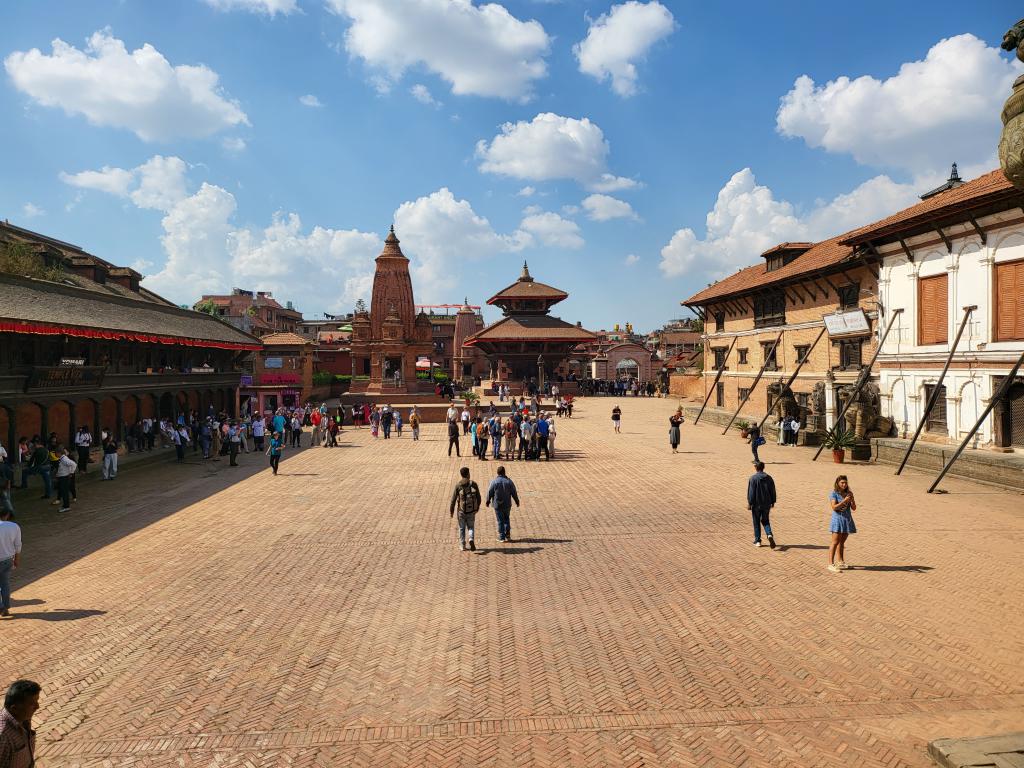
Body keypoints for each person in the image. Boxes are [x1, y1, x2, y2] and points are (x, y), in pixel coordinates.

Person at [0, 679, 40, 766]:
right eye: (32, 704)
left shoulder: (23, 718)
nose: (37, 706)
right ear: (14, 709)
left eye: (37, 701)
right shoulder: (3, 736)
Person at [448, 466, 481, 551]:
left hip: (461, 511)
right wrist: (477, 507)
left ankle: (462, 545)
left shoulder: (458, 485)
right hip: (471, 510)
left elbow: (453, 500)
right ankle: (471, 539)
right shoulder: (473, 484)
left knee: (462, 528)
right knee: (471, 527)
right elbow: (479, 497)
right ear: (468, 474)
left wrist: (451, 511)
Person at [828, 475, 857, 572]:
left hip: (847, 520)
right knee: (835, 542)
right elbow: (834, 507)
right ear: (838, 483)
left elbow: (854, 508)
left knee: (842, 542)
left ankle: (840, 562)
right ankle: (830, 564)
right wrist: (844, 501)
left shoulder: (849, 493)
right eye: (842, 483)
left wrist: (852, 500)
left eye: (845, 483)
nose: (844, 484)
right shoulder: (834, 494)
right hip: (837, 520)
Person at [486, 465, 520, 543]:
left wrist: (487, 501)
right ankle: (507, 535)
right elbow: (514, 492)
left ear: (497, 473)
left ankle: (501, 537)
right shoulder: (509, 481)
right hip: (507, 504)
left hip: (497, 504)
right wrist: (517, 501)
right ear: (504, 472)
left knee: (500, 520)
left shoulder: (494, 482)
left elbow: (490, 492)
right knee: (506, 518)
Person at [747, 461, 777, 548]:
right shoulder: (769, 478)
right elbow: (773, 491)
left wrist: (750, 503)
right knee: (765, 520)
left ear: (756, 468)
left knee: (756, 521)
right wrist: (773, 501)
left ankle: (758, 540)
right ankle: (769, 534)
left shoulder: (753, 478)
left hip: (756, 504)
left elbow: (751, 493)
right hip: (766, 504)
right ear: (763, 468)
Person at [0, 506, 21, 618]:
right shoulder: (14, 526)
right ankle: (6, 606)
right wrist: (17, 559)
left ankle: (1, 606)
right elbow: (18, 545)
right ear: (7, 514)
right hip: (8, 559)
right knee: (5, 584)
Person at [54, 448, 77, 513]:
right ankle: (65, 505)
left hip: (64, 478)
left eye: (56, 453)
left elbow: (73, 464)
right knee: (64, 492)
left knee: (65, 493)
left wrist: (71, 472)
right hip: (63, 477)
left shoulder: (64, 459)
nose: (55, 454)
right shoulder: (62, 459)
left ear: (59, 453)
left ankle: (66, 506)